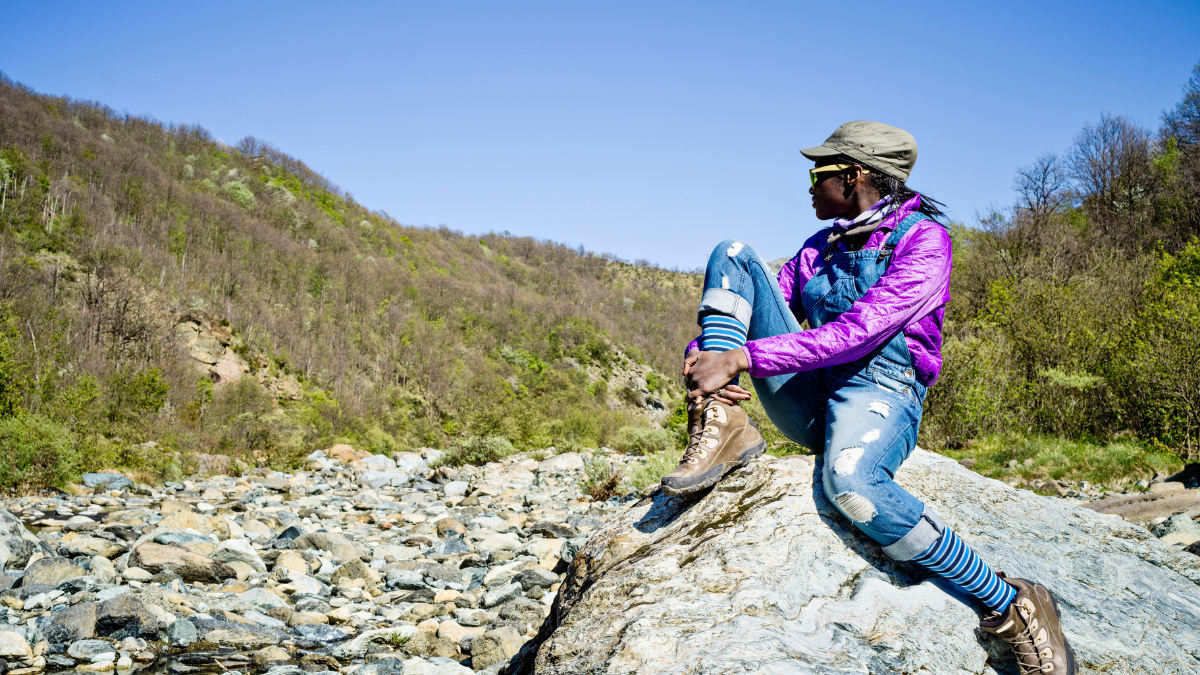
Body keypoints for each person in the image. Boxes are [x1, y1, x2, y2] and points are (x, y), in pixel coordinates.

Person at [663, 121, 1076, 675]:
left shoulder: (924, 240)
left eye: (819, 173)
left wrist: (744, 359)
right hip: (812, 396)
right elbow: (768, 301)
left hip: (883, 390)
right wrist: (706, 350)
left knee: (851, 487)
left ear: (854, 174)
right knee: (733, 253)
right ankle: (721, 425)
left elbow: (861, 332)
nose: (809, 185)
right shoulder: (820, 246)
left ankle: (1011, 607)